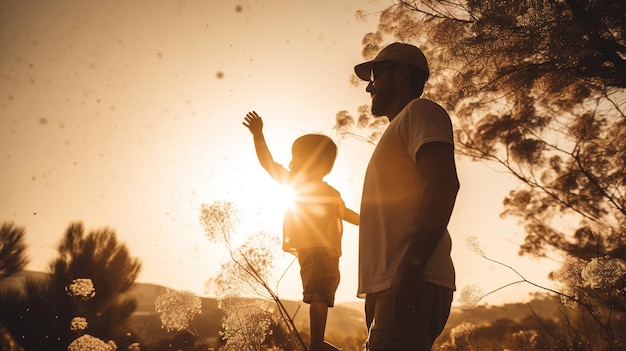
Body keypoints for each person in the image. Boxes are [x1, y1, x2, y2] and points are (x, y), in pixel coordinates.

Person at [353, 42, 460, 350]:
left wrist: (412, 266)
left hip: (411, 277)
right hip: (390, 284)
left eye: (375, 76)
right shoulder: (399, 128)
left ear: (400, 74)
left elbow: (444, 184)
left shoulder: (419, 112)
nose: (369, 87)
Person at [242, 111, 360, 351]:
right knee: (319, 294)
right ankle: (317, 344)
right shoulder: (320, 189)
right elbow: (348, 214)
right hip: (321, 252)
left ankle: (317, 344)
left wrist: (258, 135)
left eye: (296, 156)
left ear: (313, 162)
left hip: (320, 251)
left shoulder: (303, 185)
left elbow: (268, 164)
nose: (290, 161)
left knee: (319, 294)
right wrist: (258, 135)